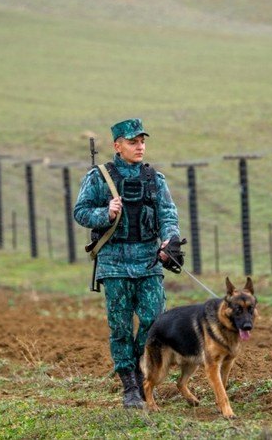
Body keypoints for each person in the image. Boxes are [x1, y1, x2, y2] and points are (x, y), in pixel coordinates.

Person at [73, 118, 182, 409]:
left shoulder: (154, 179)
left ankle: (141, 370)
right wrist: (105, 214)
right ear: (117, 145)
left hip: (148, 261)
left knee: (154, 322)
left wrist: (169, 242)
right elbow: (81, 212)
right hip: (114, 263)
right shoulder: (99, 177)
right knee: (120, 326)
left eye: (142, 141)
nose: (140, 146)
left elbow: (168, 215)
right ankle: (131, 385)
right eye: (133, 142)